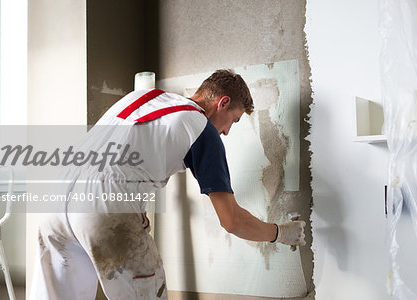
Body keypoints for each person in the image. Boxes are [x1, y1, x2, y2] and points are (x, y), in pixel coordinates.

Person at [30, 70, 306, 300]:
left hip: (57, 198)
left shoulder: (144, 98)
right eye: (233, 120)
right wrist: (280, 233)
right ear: (222, 103)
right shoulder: (202, 129)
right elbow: (231, 221)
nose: (227, 131)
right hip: (103, 206)